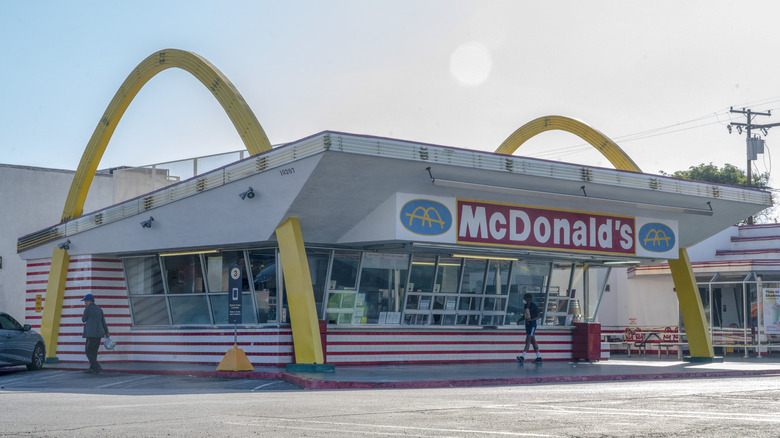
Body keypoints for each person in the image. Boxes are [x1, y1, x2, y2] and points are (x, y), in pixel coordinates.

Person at [81, 293, 109, 374]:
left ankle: (97, 366)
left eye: (85, 301)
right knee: (94, 351)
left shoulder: (88, 309)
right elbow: (103, 321)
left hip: (91, 333)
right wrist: (106, 332)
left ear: (89, 301)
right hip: (99, 333)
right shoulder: (99, 309)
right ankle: (92, 368)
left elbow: (83, 319)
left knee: (88, 350)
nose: (84, 303)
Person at [516, 293, 542, 364]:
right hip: (527, 325)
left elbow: (539, 315)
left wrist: (532, 319)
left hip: (532, 325)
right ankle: (539, 357)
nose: (524, 299)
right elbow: (525, 315)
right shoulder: (525, 306)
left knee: (528, 340)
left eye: (525, 298)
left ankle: (522, 357)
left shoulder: (534, 306)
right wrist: (519, 320)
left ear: (528, 298)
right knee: (533, 341)